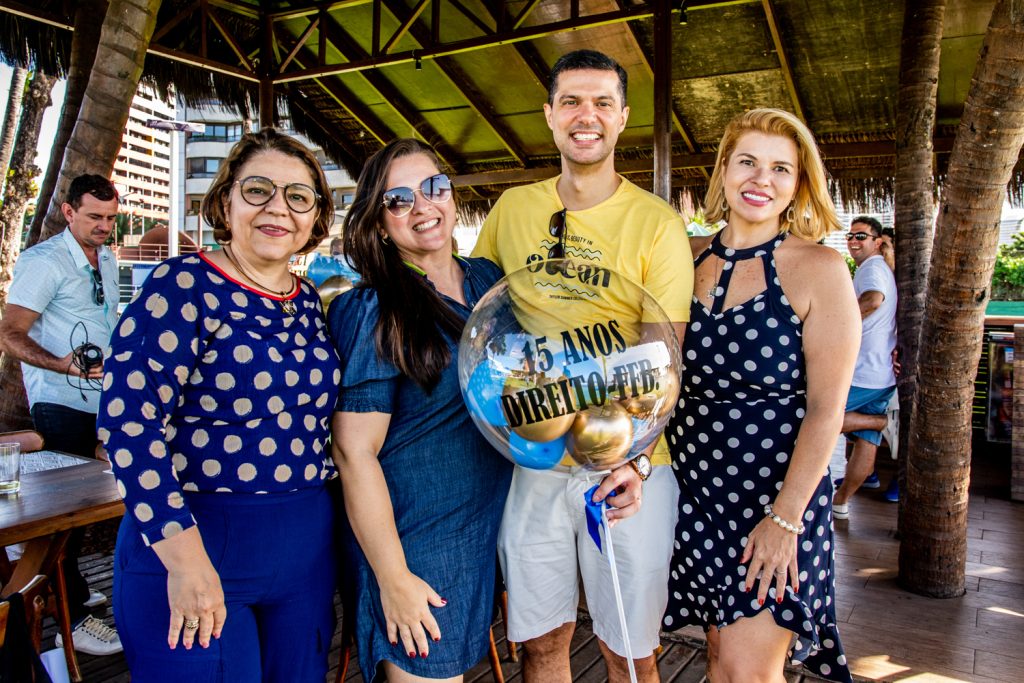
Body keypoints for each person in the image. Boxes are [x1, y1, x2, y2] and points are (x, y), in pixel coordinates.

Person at [472, 49, 692, 683]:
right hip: (533, 459)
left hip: (627, 465)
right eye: (571, 101)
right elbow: (474, 308)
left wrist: (635, 461)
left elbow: (662, 360)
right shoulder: (512, 210)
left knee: (630, 654)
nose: (585, 115)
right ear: (549, 115)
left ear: (622, 117)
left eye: (602, 103)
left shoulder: (656, 223)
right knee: (542, 645)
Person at [96, 128, 340, 681]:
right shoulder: (181, 285)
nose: (278, 208)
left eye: (298, 197)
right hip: (194, 543)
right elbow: (128, 423)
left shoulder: (308, 302)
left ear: (316, 217)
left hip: (305, 555)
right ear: (226, 200)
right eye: (258, 190)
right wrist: (185, 561)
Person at [662, 108, 859, 683]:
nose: (761, 179)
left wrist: (785, 519)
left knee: (748, 671)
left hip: (773, 501)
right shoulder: (683, 254)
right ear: (724, 169)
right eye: (747, 162)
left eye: (780, 168)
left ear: (798, 183)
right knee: (718, 658)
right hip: (693, 493)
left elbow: (827, 410)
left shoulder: (820, 268)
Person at [328, 138, 513, 682]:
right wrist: (393, 579)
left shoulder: (486, 280)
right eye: (399, 199)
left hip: (481, 529)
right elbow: (353, 452)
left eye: (434, 187)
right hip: (415, 543)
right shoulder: (376, 308)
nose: (423, 206)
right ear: (379, 223)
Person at [0, 174, 122, 656]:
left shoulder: (107, 258)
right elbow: (9, 333)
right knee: (62, 516)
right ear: (69, 212)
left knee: (93, 505)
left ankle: (69, 590)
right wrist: (60, 363)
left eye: (110, 218)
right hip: (58, 400)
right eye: (94, 217)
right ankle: (72, 623)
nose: (104, 226)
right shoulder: (44, 261)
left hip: (104, 401)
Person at [832, 216, 898, 519]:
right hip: (880, 373)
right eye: (850, 236)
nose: (854, 241)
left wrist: (835, 323)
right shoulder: (878, 268)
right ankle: (841, 501)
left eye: (861, 236)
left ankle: (880, 423)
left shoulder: (872, 267)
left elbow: (872, 300)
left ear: (877, 241)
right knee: (866, 442)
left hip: (862, 371)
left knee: (815, 419)